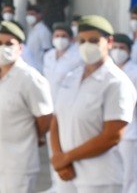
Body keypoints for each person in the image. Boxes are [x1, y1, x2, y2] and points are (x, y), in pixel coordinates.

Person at [50, 15, 137, 193]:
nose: (86, 46)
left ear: (109, 42)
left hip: (100, 179)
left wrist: (66, 157)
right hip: (67, 174)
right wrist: (59, 158)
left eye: (93, 40)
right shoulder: (71, 77)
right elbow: (56, 120)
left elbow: (112, 136)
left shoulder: (116, 82)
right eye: (82, 41)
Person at [0, 21, 53, 193]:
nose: (3, 48)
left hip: (18, 163)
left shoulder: (30, 78)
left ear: (20, 48)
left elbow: (45, 118)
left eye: (9, 44)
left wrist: (31, 136)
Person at [42, 22, 82, 189]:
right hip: (49, 107)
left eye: (64, 36)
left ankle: (67, 185)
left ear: (71, 39)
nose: (60, 39)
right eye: (57, 36)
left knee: (65, 145)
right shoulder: (49, 55)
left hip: (65, 108)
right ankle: (55, 183)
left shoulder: (77, 57)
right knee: (52, 147)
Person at [110, 34, 137, 193]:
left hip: (130, 132)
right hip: (109, 132)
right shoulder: (108, 70)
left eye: (122, 48)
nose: (118, 51)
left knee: (131, 176)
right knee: (114, 173)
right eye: (115, 48)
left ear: (129, 50)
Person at [23, 4, 52, 74]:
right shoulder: (32, 30)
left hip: (40, 69)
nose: (29, 17)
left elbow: (47, 51)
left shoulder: (43, 31)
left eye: (32, 14)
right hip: (31, 68)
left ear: (39, 15)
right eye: (28, 15)